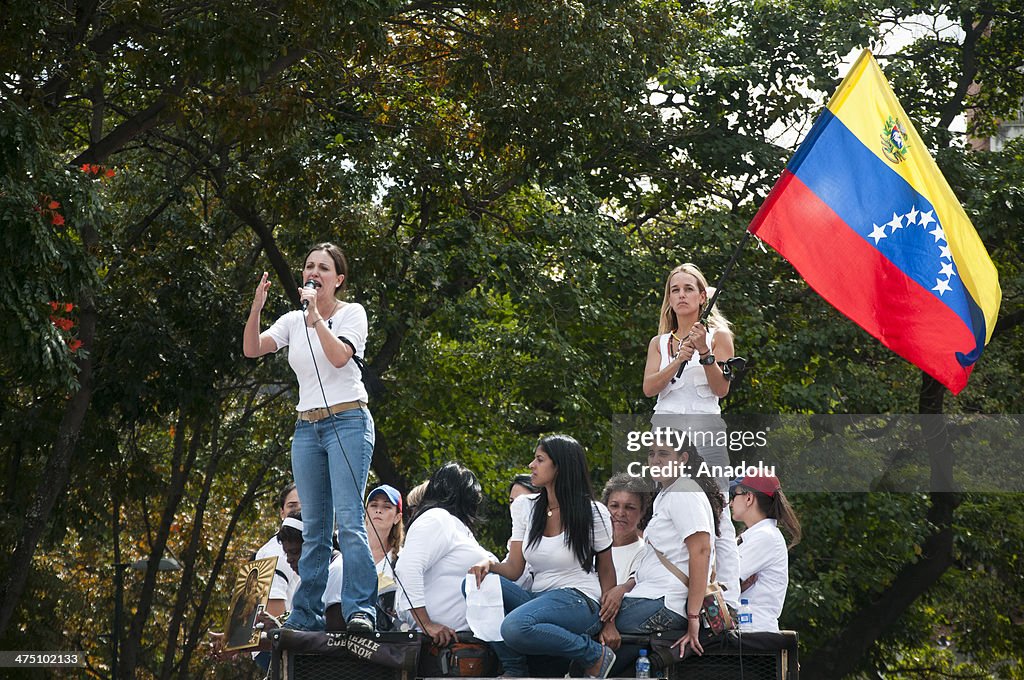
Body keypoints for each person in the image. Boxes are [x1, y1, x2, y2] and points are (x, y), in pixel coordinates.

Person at [243, 242, 377, 632]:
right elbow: (252, 349)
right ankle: (305, 614)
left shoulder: (352, 313)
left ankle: (360, 611)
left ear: (338, 279)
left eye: (323, 267)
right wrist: (256, 308)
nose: (313, 272)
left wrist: (317, 316)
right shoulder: (290, 320)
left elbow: (339, 358)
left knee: (349, 521)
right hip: (307, 427)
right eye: (308, 266)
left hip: (348, 420)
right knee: (315, 527)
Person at [468, 435, 618, 678]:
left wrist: (609, 623)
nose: (531, 465)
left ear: (560, 467)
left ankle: (593, 655)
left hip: (579, 600)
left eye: (539, 459)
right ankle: (516, 670)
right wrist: (488, 564)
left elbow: (607, 570)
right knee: (474, 585)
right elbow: (515, 569)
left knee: (515, 627)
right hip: (537, 598)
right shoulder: (525, 507)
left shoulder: (592, 512)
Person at [642, 263, 741, 608]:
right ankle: (666, 591)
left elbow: (721, 389)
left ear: (702, 297)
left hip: (705, 432)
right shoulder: (660, 343)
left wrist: (703, 353)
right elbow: (649, 387)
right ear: (669, 300)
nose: (681, 295)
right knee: (664, 505)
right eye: (675, 289)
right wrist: (677, 359)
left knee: (720, 513)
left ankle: (727, 600)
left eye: (688, 289)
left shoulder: (719, 338)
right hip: (666, 435)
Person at [612, 437, 723, 658]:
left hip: (666, 601)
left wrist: (693, 618)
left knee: (592, 623)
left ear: (682, 459)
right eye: (651, 453)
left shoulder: (684, 491)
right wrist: (625, 587)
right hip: (652, 596)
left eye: (663, 453)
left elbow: (701, 551)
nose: (655, 460)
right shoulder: (667, 493)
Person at [395, 462, 494, 644]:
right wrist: (426, 623)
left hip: (468, 641)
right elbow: (407, 568)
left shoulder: (455, 525)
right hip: (443, 643)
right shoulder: (437, 518)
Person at [730, 471, 801, 633]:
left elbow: (724, 580)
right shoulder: (756, 536)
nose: (730, 502)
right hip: (747, 632)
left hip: (753, 634)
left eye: (734, 494)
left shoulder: (765, 537)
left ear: (749, 498)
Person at [253, 482, 302, 619]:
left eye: (305, 505)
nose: (299, 510)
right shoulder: (276, 552)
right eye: (292, 506)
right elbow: (272, 616)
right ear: (282, 513)